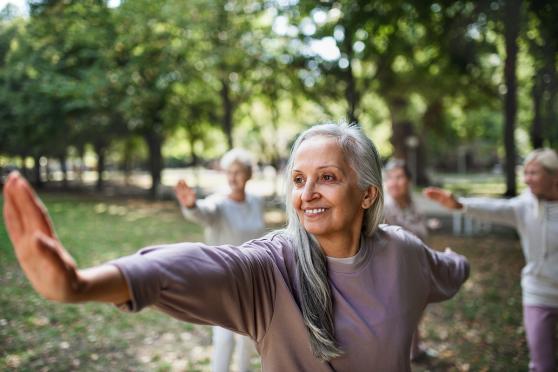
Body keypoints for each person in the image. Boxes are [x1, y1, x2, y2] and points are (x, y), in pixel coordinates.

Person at [3, 122, 469, 372]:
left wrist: (462, 264)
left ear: (368, 194)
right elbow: (196, 264)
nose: (307, 193)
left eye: (327, 178)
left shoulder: (404, 254)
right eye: (299, 180)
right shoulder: (271, 267)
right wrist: (82, 285)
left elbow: (448, 270)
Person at [424, 148, 558, 372]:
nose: (526, 179)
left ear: (554, 175)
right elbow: (495, 208)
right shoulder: (524, 206)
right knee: (542, 365)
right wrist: (460, 205)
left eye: (533, 173)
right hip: (538, 293)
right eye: (525, 173)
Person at [175, 148, 265, 372]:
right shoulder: (218, 204)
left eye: (239, 172)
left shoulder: (256, 202)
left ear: (249, 175)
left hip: (251, 279)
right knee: (224, 339)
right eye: (229, 172)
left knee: (247, 340)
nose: (233, 177)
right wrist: (190, 205)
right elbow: (203, 212)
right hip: (222, 281)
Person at [383, 159, 433, 362]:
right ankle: (401, 354)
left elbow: (421, 234)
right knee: (401, 315)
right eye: (390, 177)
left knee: (414, 311)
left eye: (399, 177)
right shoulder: (384, 208)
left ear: (409, 180)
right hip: (392, 270)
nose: (394, 182)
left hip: (415, 268)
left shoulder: (413, 205)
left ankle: (415, 349)